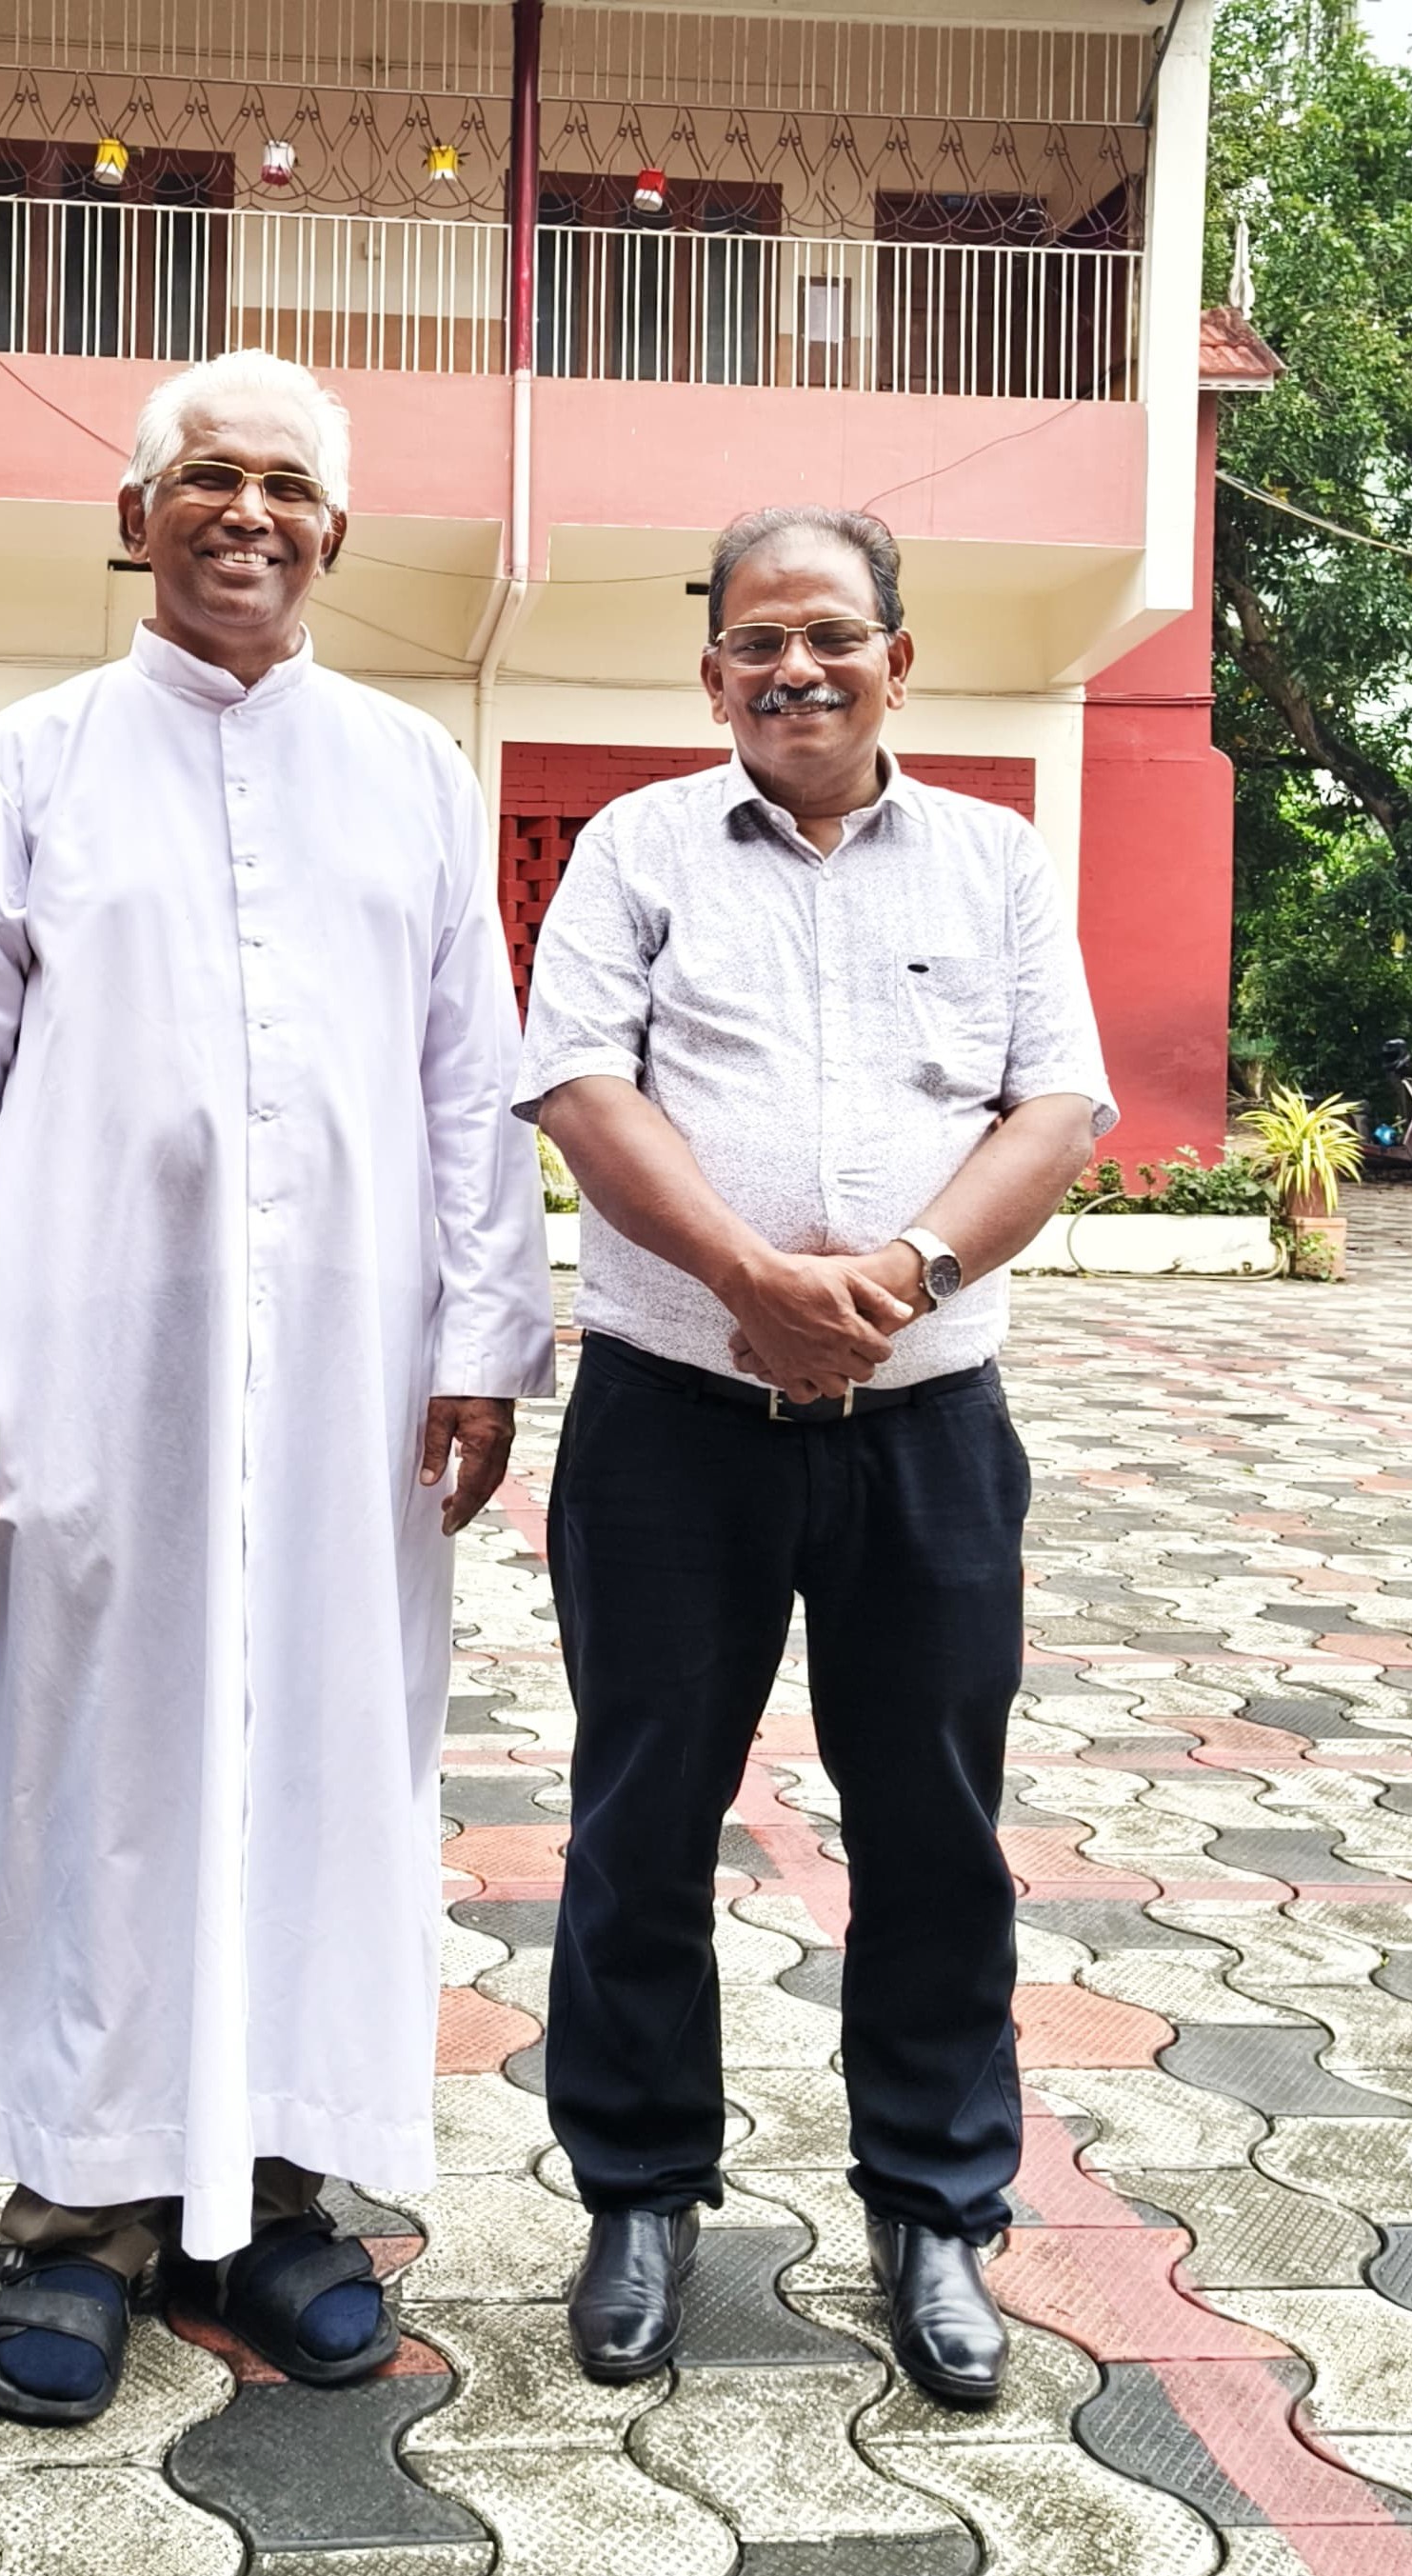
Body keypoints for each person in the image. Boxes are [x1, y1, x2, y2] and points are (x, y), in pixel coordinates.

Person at [0, 349, 555, 2425]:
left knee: (320, 1753)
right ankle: (73, 2210)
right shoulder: (36, 759)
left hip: (348, 1383)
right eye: (204, 479)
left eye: (284, 485)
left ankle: (275, 2191)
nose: (244, 512)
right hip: (83, 1362)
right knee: (85, 1763)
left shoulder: (413, 774)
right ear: (135, 516)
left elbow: (468, 1082)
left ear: (334, 531)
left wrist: (481, 1340)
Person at [518, 506, 1113, 2402]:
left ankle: (933, 2206)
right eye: (758, 640)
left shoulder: (999, 862)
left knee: (932, 1825)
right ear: (712, 676)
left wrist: (900, 1272)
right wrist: (747, 1276)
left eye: (831, 635)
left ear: (894, 659)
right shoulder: (635, 850)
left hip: (925, 1423)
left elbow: (1059, 1100)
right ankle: (635, 2189)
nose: (796, 666)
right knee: (637, 1814)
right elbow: (579, 1084)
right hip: (668, 1419)